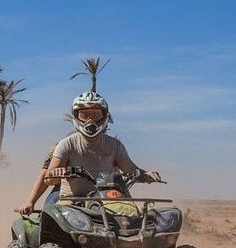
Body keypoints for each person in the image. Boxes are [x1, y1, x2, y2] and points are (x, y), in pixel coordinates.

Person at [18, 91, 160, 214]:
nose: (90, 120)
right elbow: (47, 176)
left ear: (104, 116)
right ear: (76, 117)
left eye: (96, 114)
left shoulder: (115, 145)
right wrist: (32, 200)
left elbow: (131, 170)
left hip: (109, 198)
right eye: (85, 115)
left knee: (133, 216)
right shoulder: (65, 144)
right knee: (52, 221)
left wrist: (146, 175)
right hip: (73, 199)